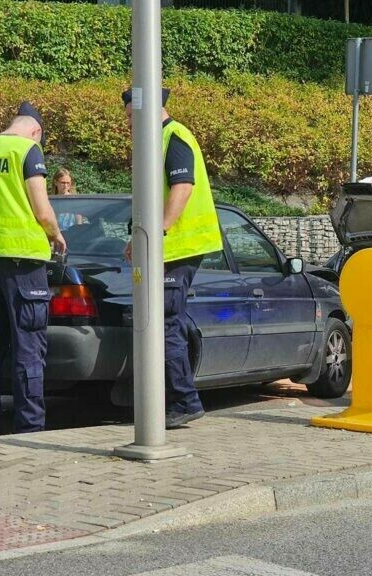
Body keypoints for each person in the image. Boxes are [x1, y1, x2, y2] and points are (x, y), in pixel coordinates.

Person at [0, 102, 66, 437]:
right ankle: (29, 428)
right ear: (36, 131)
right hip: (24, 263)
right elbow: (42, 209)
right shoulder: (28, 151)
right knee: (28, 346)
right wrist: (56, 235)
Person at [122, 87, 223, 429]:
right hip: (168, 247)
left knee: (165, 325)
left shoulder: (174, 136)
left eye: (129, 118)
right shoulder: (158, 140)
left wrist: (159, 231)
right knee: (168, 322)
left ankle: (184, 400)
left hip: (178, 248)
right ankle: (175, 399)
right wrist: (139, 237)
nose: (127, 125)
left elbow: (183, 187)